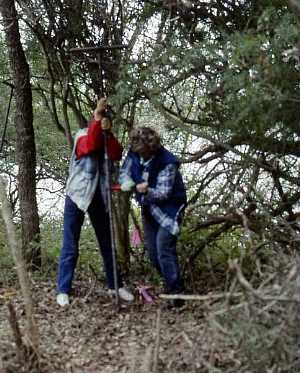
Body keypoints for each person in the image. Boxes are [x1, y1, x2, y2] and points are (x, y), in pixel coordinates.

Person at [56, 98, 134, 306]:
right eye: (101, 118)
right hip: (77, 196)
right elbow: (90, 146)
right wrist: (97, 119)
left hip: (99, 197)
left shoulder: (108, 139)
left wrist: (107, 133)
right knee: (70, 244)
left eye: (106, 119)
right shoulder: (82, 135)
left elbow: (116, 153)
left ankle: (115, 285)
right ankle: (63, 289)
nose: (104, 121)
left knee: (107, 243)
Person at [119, 127, 187, 307]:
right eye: (137, 151)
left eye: (144, 151)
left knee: (164, 250)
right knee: (154, 255)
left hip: (169, 210)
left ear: (152, 147)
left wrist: (146, 189)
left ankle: (176, 295)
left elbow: (163, 193)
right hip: (149, 210)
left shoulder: (168, 162)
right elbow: (124, 171)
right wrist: (126, 181)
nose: (140, 155)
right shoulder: (134, 153)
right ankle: (172, 286)